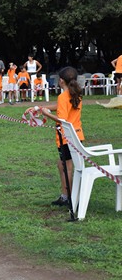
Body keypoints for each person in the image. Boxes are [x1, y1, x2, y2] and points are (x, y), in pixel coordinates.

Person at [39, 66, 84, 207]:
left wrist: (46, 114)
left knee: (67, 167)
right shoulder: (76, 94)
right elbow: (63, 105)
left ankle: (69, 198)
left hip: (67, 138)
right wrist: (41, 108)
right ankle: (66, 195)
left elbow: (62, 120)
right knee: (62, 165)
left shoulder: (63, 96)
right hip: (77, 136)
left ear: (61, 81)